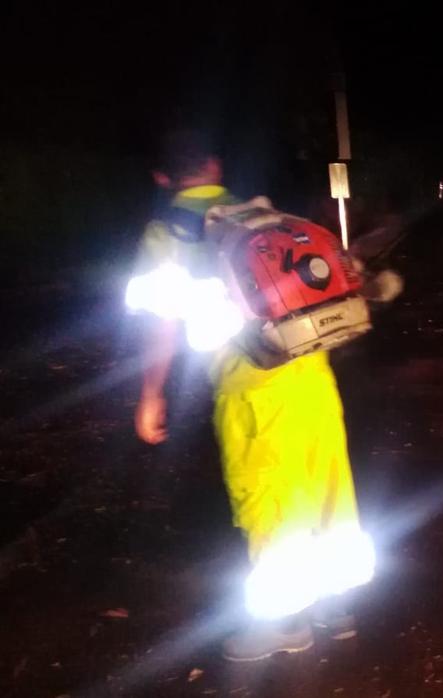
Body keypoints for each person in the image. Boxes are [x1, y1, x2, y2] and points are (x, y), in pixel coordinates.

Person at [132, 130, 373, 662]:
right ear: (215, 165)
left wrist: (151, 394)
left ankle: (284, 626)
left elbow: (161, 327)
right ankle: (339, 611)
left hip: (253, 391)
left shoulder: (169, 232)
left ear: (161, 177)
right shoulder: (265, 217)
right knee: (328, 491)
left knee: (268, 502)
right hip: (313, 376)